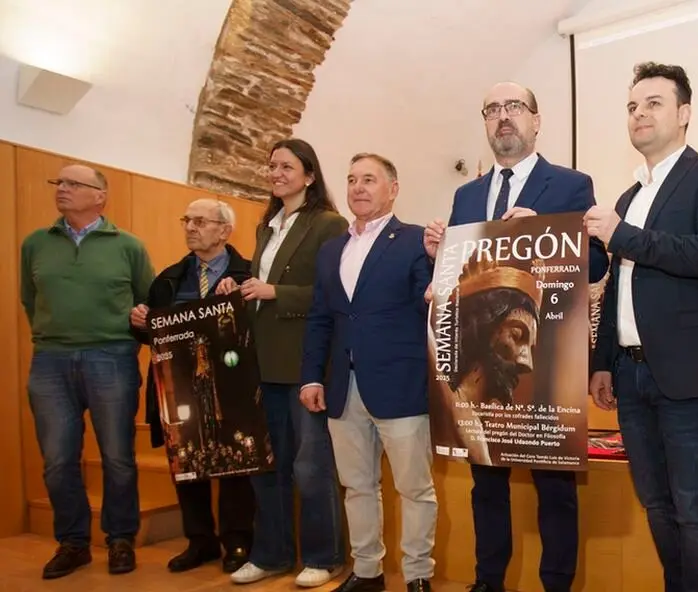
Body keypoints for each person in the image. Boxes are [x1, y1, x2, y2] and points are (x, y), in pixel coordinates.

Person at [423, 81, 610, 592]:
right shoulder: (466, 195)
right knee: (486, 483)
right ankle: (489, 583)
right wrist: (437, 253)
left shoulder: (571, 184)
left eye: (514, 107)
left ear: (536, 119)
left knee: (555, 488)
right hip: (481, 364)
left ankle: (556, 585)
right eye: (492, 110)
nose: (503, 117)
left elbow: (596, 263)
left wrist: (553, 229)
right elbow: (459, 280)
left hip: (546, 360)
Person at [585, 62, 698, 592]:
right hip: (630, 377)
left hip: (688, 375)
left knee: (695, 507)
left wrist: (623, 235)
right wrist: (601, 362)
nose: (639, 114)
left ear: (684, 114)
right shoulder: (628, 199)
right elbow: (614, 290)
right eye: (632, 106)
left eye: (653, 103)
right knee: (656, 503)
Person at [216, 138, 349, 587]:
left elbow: (335, 297)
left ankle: (323, 555)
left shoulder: (330, 224)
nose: (276, 173)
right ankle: (270, 554)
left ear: (309, 175)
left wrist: (276, 293)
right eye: (271, 166)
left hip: (303, 364)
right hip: (261, 362)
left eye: (286, 166)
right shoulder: (264, 227)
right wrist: (238, 288)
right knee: (266, 466)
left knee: (310, 467)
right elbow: (260, 287)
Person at [301, 152, 437, 592]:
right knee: (357, 487)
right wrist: (312, 376)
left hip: (400, 385)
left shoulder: (416, 240)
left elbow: (430, 304)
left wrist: (439, 271)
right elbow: (321, 317)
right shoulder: (331, 249)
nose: (358, 187)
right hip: (343, 386)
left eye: (370, 179)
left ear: (393, 189)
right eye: (352, 179)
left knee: (414, 489)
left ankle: (417, 575)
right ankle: (367, 572)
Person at [20, 164, 155, 579]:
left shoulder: (128, 246)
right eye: (57, 182)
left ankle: (120, 539)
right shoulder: (35, 244)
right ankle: (73, 542)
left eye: (73, 184)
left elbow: (147, 302)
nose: (61, 189)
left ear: (100, 196)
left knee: (117, 457)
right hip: (50, 361)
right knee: (57, 460)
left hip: (112, 358)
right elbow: (30, 298)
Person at [129, 198, 256, 574]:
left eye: (200, 221)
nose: (190, 227)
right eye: (187, 220)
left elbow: (257, 332)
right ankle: (199, 541)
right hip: (179, 388)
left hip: (232, 385)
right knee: (186, 465)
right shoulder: (169, 279)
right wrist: (141, 322)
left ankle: (237, 541)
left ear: (224, 230)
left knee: (236, 466)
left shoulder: (249, 274)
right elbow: (156, 337)